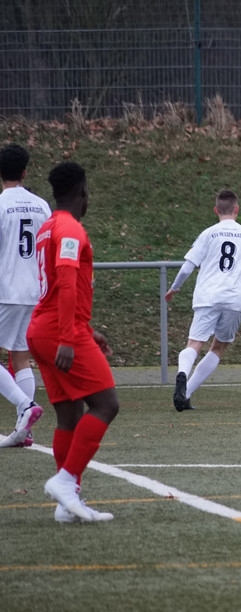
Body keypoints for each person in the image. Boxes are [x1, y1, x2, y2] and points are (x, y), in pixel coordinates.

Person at [28, 162, 119, 523]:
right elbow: (65, 281)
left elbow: (58, 286)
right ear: (82, 192)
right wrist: (69, 336)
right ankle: (66, 482)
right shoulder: (69, 228)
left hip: (42, 329)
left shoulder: (48, 226)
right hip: (58, 331)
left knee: (69, 414)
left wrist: (85, 328)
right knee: (106, 404)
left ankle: (66, 504)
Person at [164, 189, 241, 411]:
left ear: (216, 210)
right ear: (237, 209)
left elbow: (187, 267)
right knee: (217, 348)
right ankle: (186, 394)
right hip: (235, 300)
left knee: (194, 343)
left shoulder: (208, 234)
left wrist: (174, 287)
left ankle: (182, 374)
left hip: (207, 296)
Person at [0, 144, 50, 448]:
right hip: (35, 291)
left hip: (6, 291)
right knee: (21, 357)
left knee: (19, 356)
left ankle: (26, 406)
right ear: (25, 172)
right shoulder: (42, 206)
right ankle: (25, 430)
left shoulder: (0, 205)